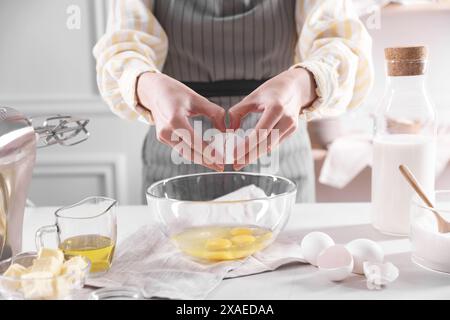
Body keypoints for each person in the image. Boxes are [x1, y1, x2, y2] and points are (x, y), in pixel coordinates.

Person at [94, 0, 373, 202]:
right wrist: (148, 87)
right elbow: (122, 47)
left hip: (282, 166)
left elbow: (341, 42)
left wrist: (302, 84)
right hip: (172, 170)